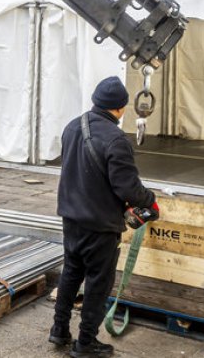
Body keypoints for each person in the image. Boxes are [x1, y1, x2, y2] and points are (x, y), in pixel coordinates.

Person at [51, 76, 159, 357]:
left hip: (71, 218)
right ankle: (86, 343)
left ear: (96, 101)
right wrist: (150, 201)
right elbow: (128, 188)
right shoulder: (115, 139)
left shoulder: (72, 126)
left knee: (71, 274)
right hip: (100, 225)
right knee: (98, 285)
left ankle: (59, 330)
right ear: (121, 109)